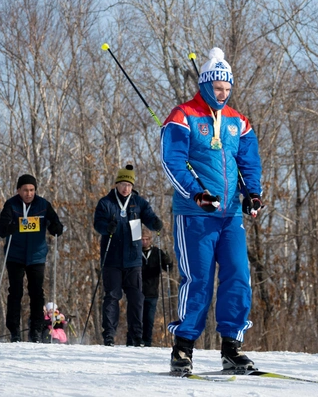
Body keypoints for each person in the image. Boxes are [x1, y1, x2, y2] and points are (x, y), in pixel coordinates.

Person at [160, 47, 263, 373]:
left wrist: (253, 194)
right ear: (205, 85)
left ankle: (231, 347)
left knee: (238, 276)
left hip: (230, 214)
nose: (223, 93)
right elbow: (172, 160)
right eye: (218, 88)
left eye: (227, 88)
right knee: (198, 280)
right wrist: (196, 193)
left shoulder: (238, 121)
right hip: (195, 215)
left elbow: (248, 163)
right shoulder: (183, 115)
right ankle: (183, 348)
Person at [93, 165, 163, 347]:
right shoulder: (106, 203)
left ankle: (136, 337)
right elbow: (98, 223)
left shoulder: (138, 202)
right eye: (123, 184)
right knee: (112, 297)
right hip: (112, 259)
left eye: (129, 185)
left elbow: (148, 216)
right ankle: (109, 335)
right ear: (117, 184)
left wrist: (155, 223)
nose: (126, 188)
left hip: (133, 259)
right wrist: (106, 227)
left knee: (136, 298)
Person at [0, 174, 64, 343]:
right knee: (15, 292)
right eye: (25, 190)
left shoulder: (43, 205)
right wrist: (9, 227)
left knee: (36, 293)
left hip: (36, 255)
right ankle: (14, 331)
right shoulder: (11, 205)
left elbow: (56, 224)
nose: (28, 193)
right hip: (15, 255)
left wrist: (55, 227)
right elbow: (1, 227)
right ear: (18, 190)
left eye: (32, 190)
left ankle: (36, 330)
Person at [139, 228, 173, 347]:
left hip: (152, 292)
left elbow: (168, 267)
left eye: (146, 239)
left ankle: (147, 342)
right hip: (138, 291)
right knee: (137, 318)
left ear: (150, 240)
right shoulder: (136, 252)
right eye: (142, 239)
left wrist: (168, 261)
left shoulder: (157, 252)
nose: (144, 242)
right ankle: (135, 340)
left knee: (149, 319)